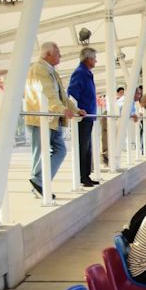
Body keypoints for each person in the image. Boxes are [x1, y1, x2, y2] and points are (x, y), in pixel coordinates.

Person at [25, 42, 85, 199]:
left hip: (54, 119)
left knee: (60, 150)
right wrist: (61, 110)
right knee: (41, 152)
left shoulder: (51, 71)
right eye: (58, 53)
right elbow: (48, 94)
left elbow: (63, 97)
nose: (60, 56)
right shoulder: (39, 70)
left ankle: (39, 182)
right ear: (47, 54)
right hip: (42, 119)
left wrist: (75, 110)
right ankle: (39, 182)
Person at [68, 47, 98, 187]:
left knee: (87, 147)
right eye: (94, 58)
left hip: (89, 116)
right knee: (83, 146)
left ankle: (86, 175)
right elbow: (72, 93)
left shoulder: (87, 73)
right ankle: (82, 176)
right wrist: (78, 109)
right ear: (88, 59)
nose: (96, 61)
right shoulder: (80, 73)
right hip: (83, 117)